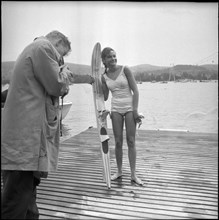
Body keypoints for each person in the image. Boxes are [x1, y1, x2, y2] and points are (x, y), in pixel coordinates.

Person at [1, 30, 94, 219]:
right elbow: (57, 85)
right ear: (58, 42)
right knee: (15, 203)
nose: (60, 61)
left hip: (24, 141)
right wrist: (65, 74)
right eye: (61, 55)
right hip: (26, 142)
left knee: (27, 201)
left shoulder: (33, 49)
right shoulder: (43, 47)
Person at [101, 47, 144, 186]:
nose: (113, 59)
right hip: (115, 109)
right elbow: (106, 96)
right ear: (104, 60)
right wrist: (97, 82)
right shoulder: (104, 76)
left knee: (131, 141)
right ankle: (119, 171)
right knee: (118, 142)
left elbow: (135, 91)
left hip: (130, 107)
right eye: (110, 57)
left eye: (114, 56)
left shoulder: (125, 69)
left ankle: (133, 174)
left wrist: (136, 110)